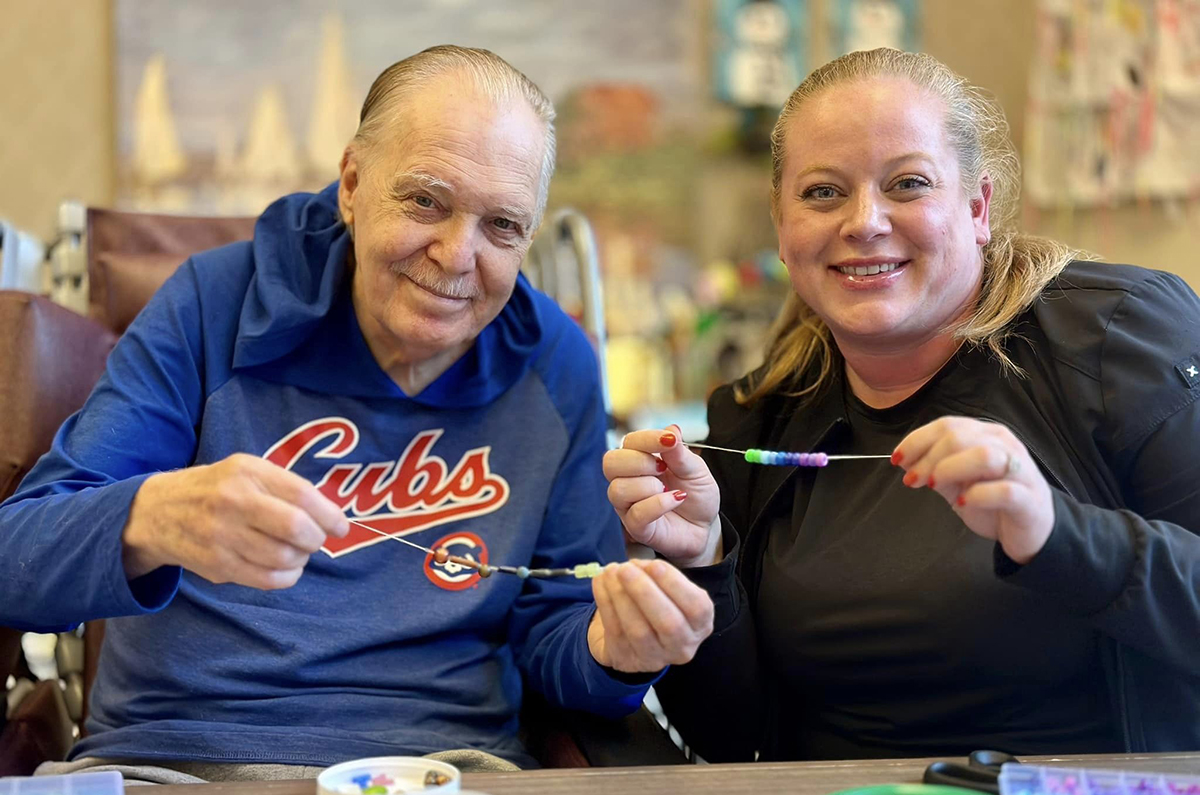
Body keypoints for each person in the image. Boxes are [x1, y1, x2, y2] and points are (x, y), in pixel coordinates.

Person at [0, 45, 712, 779]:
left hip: (447, 766)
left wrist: (614, 650)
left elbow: (557, 626)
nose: (457, 254)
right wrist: (149, 517)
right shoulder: (209, 307)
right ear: (351, 184)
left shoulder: (554, 361)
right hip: (178, 759)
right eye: (426, 201)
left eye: (502, 225)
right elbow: (13, 559)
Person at [604, 47, 1200, 763]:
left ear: (977, 207)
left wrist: (1056, 532)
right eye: (823, 192)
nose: (864, 221)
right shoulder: (758, 414)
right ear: (782, 226)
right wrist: (703, 559)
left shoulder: (1118, 340)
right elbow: (731, 738)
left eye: (908, 183)